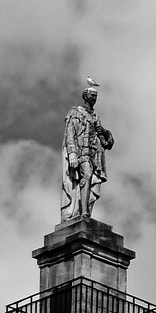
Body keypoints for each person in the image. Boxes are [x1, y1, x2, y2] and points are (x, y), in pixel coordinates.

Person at [61, 83, 114, 221]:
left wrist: (106, 134)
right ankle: (84, 213)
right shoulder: (75, 112)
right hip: (81, 153)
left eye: (95, 96)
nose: (94, 98)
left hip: (94, 155)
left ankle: (85, 211)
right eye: (92, 95)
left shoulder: (95, 117)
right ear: (85, 97)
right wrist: (72, 153)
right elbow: (70, 133)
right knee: (87, 176)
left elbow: (105, 141)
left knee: (91, 182)